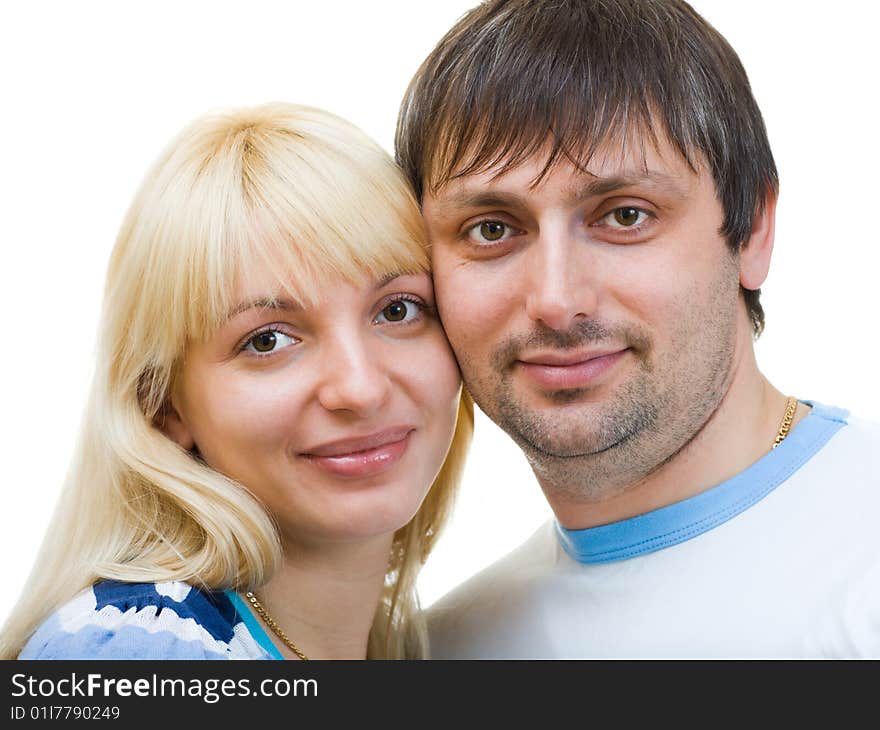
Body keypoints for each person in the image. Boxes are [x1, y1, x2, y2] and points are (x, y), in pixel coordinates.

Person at [395, 0, 880, 658]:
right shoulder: (441, 652)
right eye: (491, 230)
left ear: (754, 230)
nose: (557, 301)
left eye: (625, 216)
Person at [0, 102, 472, 660]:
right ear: (163, 406)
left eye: (397, 311)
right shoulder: (136, 655)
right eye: (268, 339)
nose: (360, 388)